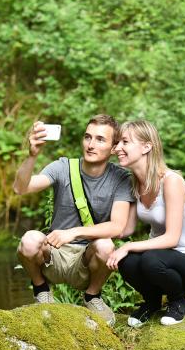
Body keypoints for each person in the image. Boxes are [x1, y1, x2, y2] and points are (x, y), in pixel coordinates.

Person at [14, 114, 135, 326]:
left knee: (107, 245)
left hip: (87, 261)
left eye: (100, 139)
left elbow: (117, 227)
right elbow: (20, 188)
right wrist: (32, 155)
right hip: (54, 255)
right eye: (88, 137)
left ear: (114, 147)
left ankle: (92, 297)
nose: (91, 144)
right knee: (29, 240)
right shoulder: (63, 167)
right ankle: (41, 289)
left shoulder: (121, 178)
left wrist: (74, 232)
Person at [107, 120, 185, 327]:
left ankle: (178, 302)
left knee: (148, 258)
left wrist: (129, 246)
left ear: (147, 147)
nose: (118, 148)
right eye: (117, 143)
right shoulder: (134, 182)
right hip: (157, 259)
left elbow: (172, 238)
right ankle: (152, 303)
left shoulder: (171, 181)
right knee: (127, 260)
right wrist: (86, 234)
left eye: (125, 142)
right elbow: (126, 229)